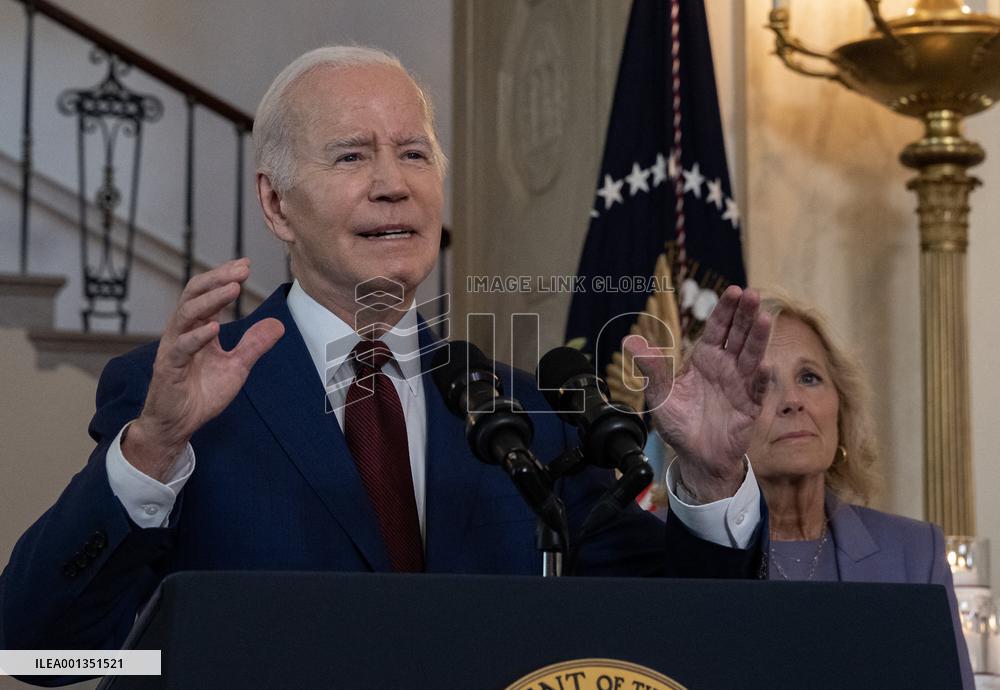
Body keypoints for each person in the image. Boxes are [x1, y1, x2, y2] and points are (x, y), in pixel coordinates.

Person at [0, 45, 772, 661]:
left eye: (412, 153)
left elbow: (675, 639)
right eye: (350, 157)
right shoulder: (174, 400)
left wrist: (709, 480)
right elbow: (37, 643)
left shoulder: (525, 414)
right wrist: (152, 450)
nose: (392, 185)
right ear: (276, 203)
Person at [722, 293, 973, 688]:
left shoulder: (914, 554)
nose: (792, 401)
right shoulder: (663, 545)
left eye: (809, 378)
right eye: (760, 384)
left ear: (841, 406)